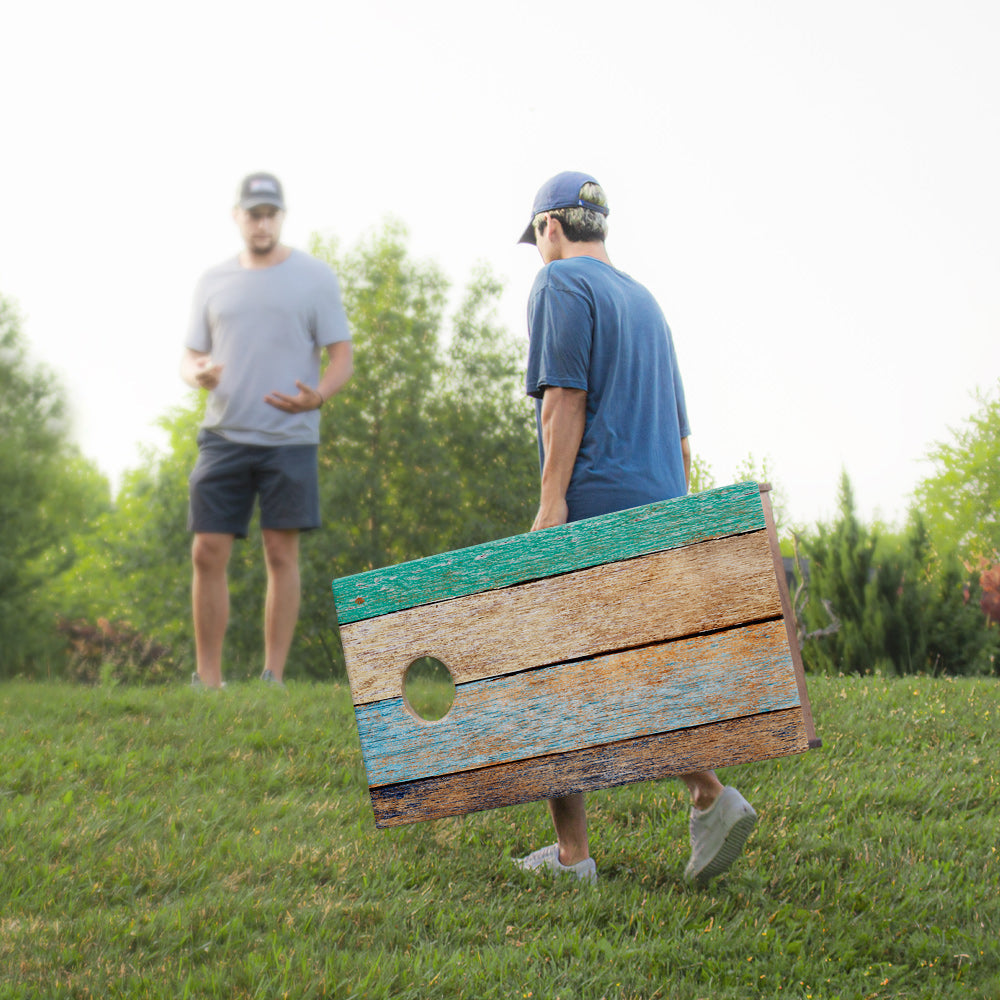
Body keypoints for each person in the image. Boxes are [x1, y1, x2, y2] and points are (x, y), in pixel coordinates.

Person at [513, 171, 757, 886]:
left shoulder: (561, 285)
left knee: (553, 676)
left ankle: (573, 857)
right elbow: (682, 439)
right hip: (660, 503)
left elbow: (565, 398)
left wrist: (552, 501)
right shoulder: (648, 304)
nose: (536, 249)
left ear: (551, 227)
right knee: (627, 670)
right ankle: (709, 795)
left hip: (594, 498)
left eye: (534, 236)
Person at [181, 172, 353, 689]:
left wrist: (318, 395)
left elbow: (342, 355)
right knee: (206, 550)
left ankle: (272, 676)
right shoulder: (211, 280)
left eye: (270, 213)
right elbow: (190, 356)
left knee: (281, 552)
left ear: (281, 216)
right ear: (238, 216)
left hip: (289, 438)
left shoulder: (315, 277)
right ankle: (208, 679)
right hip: (223, 436)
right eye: (253, 213)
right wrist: (198, 373)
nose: (261, 222)